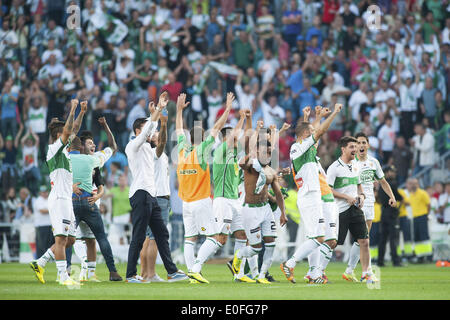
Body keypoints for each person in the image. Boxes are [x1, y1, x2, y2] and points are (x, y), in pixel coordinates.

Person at [125, 91, 188, 283]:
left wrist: (159, 118)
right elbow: (147, 133)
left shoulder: (148, 148)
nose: (150, 132)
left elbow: (159, 145)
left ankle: (171, 271)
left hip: (151, 195)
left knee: (161, 233)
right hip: (141, 193)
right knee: (139, 236)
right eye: (146, 129)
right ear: (138, 131)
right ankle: (131, 275)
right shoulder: (133, 146)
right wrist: (159, 109)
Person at [280, 103, 342, 284]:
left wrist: (312, 117)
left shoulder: (305, 148)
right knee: (319, 238)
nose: (314, 133)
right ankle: (290, 263)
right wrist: (334, 113)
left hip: (312, 196)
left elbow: (313, 132)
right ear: (305, 135)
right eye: (310, 132)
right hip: (309, 196)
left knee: (316, 237)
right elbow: (318, 132)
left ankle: (314, 274)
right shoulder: (297, 148)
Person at [176, 92, 234, 284]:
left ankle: (192, 275)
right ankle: (196, 268)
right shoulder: (201, 151)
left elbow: (178, 130)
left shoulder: (183, 149)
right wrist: (227, 109)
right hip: (200, 200)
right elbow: (217, 129)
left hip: (185, 202)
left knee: (190, 239)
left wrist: (178, 110)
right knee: (214, 237)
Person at [29, 99, 82, 286]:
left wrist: (81, 112)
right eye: (65, 134)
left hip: (66, 197)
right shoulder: (54, 148)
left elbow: (72, 129)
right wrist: (73, 108)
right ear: (59, 135)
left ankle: (41, 262)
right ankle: (62, 276)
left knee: (71, 239)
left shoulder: (64, 152)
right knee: (61, 239)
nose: (70, 136)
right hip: (59, 199)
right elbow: (69, 130)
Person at [231, 129, 287, 284]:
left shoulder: (270, 171)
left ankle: (262, 276)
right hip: (250, 210)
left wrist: (283, 213)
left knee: (271, 243)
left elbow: (278, 194)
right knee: (256, 248)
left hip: (266, 209)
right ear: (257, 151)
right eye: (265, 151)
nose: (268, 154)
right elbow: (241, 163)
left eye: (269, 152)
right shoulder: (251, 165)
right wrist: (251, 154)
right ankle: (239, 255)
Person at [71, 117, 122, 282]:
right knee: (82, 238)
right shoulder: (86, 159)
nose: (94, 145)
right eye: (90, 143)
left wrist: (106, 126)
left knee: (90, 240)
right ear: (81, 146)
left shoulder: (96, 157)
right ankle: (79, 270)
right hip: (86, 200)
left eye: (94, 143)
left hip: (90, 200)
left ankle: (90, 273)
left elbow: (113, 147)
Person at [343, 132, 397, 281]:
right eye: (358, 143)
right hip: (358, 203)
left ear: (368, 145)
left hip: (370, 202)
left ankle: (349, 270)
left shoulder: (374, 162)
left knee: (361, 239)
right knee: (364, 239)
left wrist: (392, 196)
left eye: (363, 143)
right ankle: (367, 272)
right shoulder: (351, 164)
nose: (361, 145)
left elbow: (383, 182)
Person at [326, 136, 376, 283]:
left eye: (355, 146)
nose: (355, 149)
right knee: (333, 243)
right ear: (343, 149)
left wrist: (361, 195)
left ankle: (366, 273)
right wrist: (345, 197)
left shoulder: (355, 165)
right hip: (340, 210)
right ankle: (316, 271)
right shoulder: (334, 167)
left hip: (355, 209)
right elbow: (328, 190)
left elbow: (359, 185)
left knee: (364, 240)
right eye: (352, 147)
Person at [212, 109, 252, 282]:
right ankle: (195, 267)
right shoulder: (220, 152)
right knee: (221, 239)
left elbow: (248, 139)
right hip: (222, 199)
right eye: (234, 138)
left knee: (243, 236)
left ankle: (240, 274)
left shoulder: (234, 154)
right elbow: (233, 136)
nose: (237, 140)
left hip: (235, 200)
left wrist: (248, 119)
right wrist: (241, 117)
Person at [140, 111, 171, 283]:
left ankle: (145, 273)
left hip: (154, 197)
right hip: (160, 198)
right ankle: (151, 274)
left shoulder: (150, 154)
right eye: (155, 133)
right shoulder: (155, 153)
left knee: (147, 238)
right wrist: (164, 123)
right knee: (155, 238)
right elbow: (164, 141)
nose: (158, 134)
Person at [377, 165, 404, 267]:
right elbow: (398, 196)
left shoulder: (380, 185)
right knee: (393, 237)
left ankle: (380, 261)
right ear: (387, 173)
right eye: (392, 171)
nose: (394, 173)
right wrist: (401, 199)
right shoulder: (392, 183)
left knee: (383, 238)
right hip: (391, 213)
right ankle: (395, 261)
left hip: (383, 212)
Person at [33, 185, 53, 259]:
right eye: (43, 192)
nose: (45, 193)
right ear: (40, 193)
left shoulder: (49, 199)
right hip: (41, 225)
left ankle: (47, 259)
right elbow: (42, 211)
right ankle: (40, 258)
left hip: (49, 224)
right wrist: (52, 209)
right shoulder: (38, 200)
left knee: (49, 243)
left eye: (45, 192)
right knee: (41, 244)